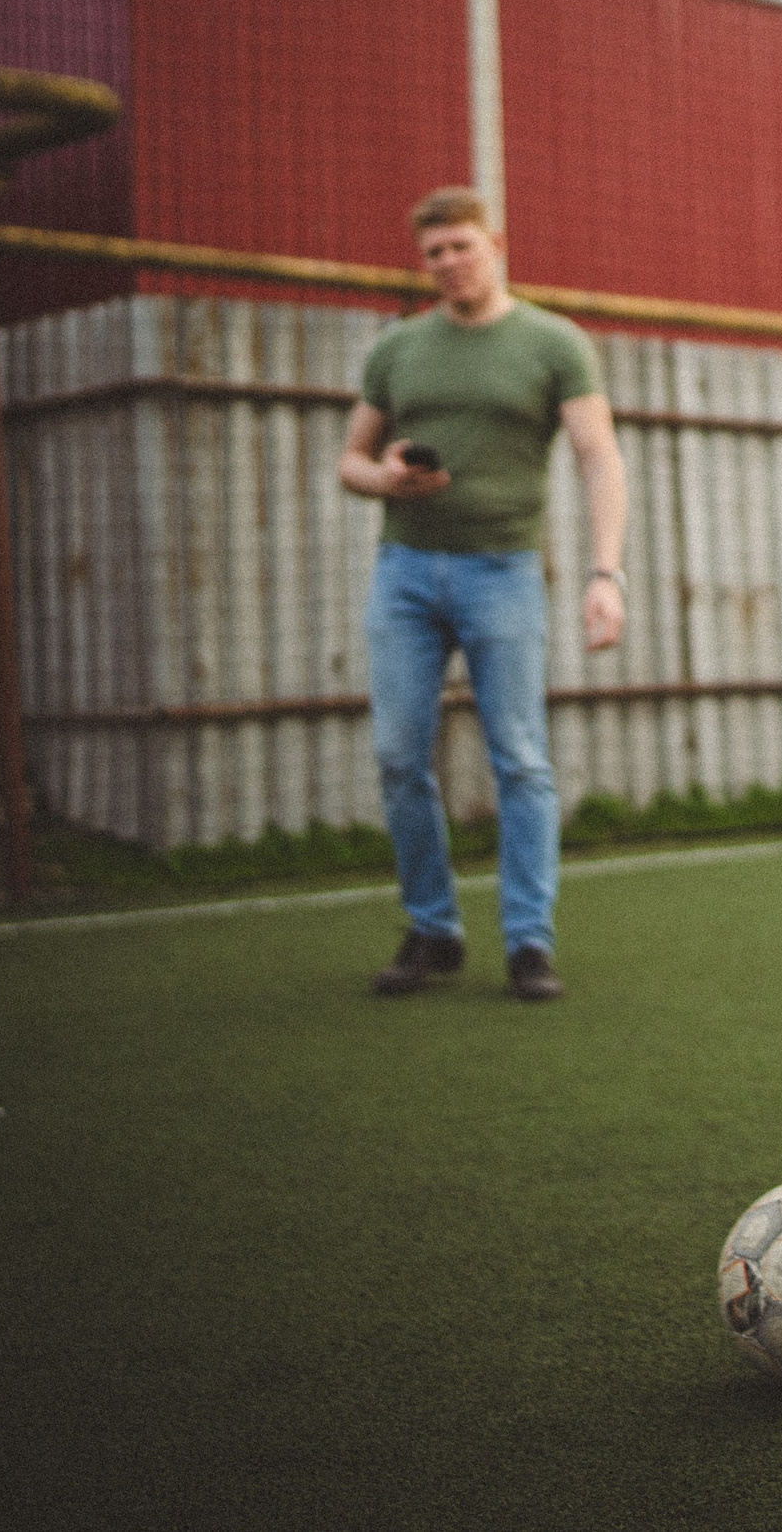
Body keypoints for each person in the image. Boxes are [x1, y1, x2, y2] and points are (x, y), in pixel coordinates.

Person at [337, 187, 629, 1002]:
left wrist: (606, 573)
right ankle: (432, 929)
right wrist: (387, 478)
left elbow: (598, 457)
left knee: (521, 759)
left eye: (461, 247)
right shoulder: (397, 351)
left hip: (503, 573)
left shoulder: (553, 343)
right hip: (405, 573)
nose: (448, 265)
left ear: (494, 242)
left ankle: (529, 942)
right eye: (433, 254)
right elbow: (349, 464)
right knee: (399, 755)